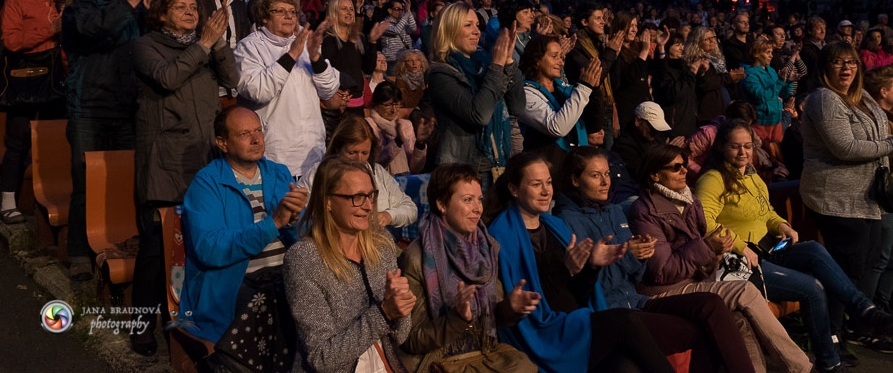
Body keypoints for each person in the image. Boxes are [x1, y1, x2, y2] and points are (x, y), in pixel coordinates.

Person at [695, 118, 893, 372]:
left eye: (748, 146)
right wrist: (739, 246)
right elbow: (704, 223)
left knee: (813, 250)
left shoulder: (751, 177)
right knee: (812, 287)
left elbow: (766, 213)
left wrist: (783, 226)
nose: (743, 152)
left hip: (766, 251)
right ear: (722, 147)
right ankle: (830, 361)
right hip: (742, 264)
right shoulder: (713, 179)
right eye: (736, 147)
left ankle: (863, 308)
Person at [554, 147, 756, 373]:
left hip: (638, 301)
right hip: (609, 313)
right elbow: (592, 285)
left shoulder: (614, 212)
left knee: (711, 303)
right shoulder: (567, 221)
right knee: (699, 331)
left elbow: (639, 276)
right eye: (595, 175)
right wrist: (629, 257)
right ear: (574, 180)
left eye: (607, 174)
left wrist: (642, 255)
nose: (605, 182)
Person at [626, 143, 813, 373]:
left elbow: (702, 261)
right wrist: (706, 247)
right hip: (662, 291)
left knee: (739, 319)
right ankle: (802, 368)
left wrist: (717, 252)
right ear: (654, 174)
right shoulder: (644, 211)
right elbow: (661, 272)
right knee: (745, 291)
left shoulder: (689, 201)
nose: (684, 170)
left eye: (684, 165)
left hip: (696, 282)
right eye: (676, 167)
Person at [483, 152, 675, 373]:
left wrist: (592, 266)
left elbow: (577, 294)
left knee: (626, 368)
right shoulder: (502, 235)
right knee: (627, 319)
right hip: (544, 333)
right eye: (537, 184)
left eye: (548, 183)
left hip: (573, 323)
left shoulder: (556, 226)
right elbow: (536, 301)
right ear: (514, 189)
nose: (546, 191)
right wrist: (566, 270)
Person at [128, 0, 238, 356]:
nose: (191, 12)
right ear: (161, 13)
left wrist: (218, 42)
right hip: (164, 163)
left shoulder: (203, 47)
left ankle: (187, 319)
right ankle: (141, 324)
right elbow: (166, 78)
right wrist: (204, 45)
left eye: (194, 7)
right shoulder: (146, 46)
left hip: (203, 162)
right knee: (155, 250)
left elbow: (233, 81)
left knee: (198, 247)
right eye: (181, 7)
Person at [178, 106, 307, 370]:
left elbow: (303, 237)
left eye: (258, 130)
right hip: (235, 281)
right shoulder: (207, 183)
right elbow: (209, 248)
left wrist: (295, 222)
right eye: (245, 133)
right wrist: (273, 223)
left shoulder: (278, 173)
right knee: (274, 300)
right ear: (223, 143)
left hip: (286, 271)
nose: (256, 139)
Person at [397, 163, 539, 372]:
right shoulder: (417, 257)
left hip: (482, 351)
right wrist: (456, 319)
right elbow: (411, 339)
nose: (477, 208)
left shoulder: (486, 248)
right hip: (440, 358)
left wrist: (510, 308)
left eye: (479, 199)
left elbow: (492, 319)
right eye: (467, 200)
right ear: (442, 204)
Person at [799, 41, 893, 352]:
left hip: (866, 199)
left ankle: (848, 330)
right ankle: (830, 339)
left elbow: (878, 135)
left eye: (851, 62)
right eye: (838, 62)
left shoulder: (862, 96)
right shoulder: (825, 98)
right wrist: (891, 144)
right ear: (825, 68)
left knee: (862, 267)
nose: (846, 68)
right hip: (835, 198)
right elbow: (846, 147)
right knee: (844, 272)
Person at [284, 155, 415, 372]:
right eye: (357, 197)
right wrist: (384, 314)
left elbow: (399, 337)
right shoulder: (304, 259)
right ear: (327, 201)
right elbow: (321, 358)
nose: (367, 206)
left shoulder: (381, 245)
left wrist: (401, 311)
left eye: (371, 196)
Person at [62, 0, 147, 281]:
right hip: (89, 109)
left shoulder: (131, 8)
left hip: (126, 109)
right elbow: (94, 29)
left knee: (127, 181)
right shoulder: (78, 9)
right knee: (85, 183)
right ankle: (80, 252)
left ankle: (121, 242)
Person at [235, 0, 340, 182]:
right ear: (264, 17)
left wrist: (315, 57)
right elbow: (258, 91)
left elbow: (329, 89)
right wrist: (291, 56)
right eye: (280, 11)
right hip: (275, 155)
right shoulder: (249, 47)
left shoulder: (306, 43)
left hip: (312, 152)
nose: (288, 16)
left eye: (292, 12)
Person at [0, 0, 70, 224]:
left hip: (57, 82)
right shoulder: (17, 4)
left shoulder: (63, 5)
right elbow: (12, 42)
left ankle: (50, 196)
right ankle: (7, 202)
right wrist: (51, 29)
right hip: (25, 83)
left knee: (53, 142)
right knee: (18, 143)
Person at [426, 2, 525, 188]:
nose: (476, 31)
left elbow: (518, 106)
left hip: (497, 165)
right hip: (463, 171)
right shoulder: (441, 73)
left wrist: (509, 60)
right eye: (467, 25)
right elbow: (479, 114)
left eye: (477, 25)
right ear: (449, 29)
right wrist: (496, 67)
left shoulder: (485, 65)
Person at [518, 33, 601, 176]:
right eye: (554, 56)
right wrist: (584, 88)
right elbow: (557, 127)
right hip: (548, 172)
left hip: (574, 168)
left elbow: (592, 121)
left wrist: (594, 89)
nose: (561, 62)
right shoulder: (526, 93)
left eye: (561, 57)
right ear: (537, 60)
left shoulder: (564, 89)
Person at [323, 115, 418, 230]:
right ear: (338, 148)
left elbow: (410, 209)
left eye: (364, 153)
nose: (359, 159)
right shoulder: (322, 173)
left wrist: (388, 215)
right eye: (352, 152)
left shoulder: (377, 172)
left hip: (378, 241)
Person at [565, 3, 625, 150]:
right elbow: (595, 78)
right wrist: (610, 52)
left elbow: (613, 79)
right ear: (584, 22)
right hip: (588, 111)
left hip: (605, 108)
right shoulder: (576, 46)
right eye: (598, 18)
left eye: (603, 18)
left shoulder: (598, 43)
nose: (603, 22)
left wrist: (613, 53)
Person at [321, 0, 387, 117]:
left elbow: (368, 68)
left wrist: (372, 42)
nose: (349, 12)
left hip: (358, 103)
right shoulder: (328, 40)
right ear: (334, 12)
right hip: (338, 106)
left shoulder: (359, 38)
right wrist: (350, 41)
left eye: (351, 9)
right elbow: (337, 67)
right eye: (344, 9)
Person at [862, 66, 893, 322]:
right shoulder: (878, 120)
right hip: (883, 197)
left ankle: (883, 309)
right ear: (883, 91)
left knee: (890, 258)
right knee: (880, 258)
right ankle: (866, 315)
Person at [738, 38, 793, 156]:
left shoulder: (771, 70)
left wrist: (788, 82)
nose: (771, 56)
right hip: (761, 121)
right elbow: (760, 96)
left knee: (777, 156)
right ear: (756, 54)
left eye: (771, 52)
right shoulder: (749, 73)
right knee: (763, 156)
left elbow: (781, 94)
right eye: (767, 52)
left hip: (775, 120)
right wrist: (779, 83)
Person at [365, 81, 433, 176]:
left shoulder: (406, 125)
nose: (393, 110)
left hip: (405, 181)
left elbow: (415, 168)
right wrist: (397, 142)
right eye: (388, 105)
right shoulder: (368, 125)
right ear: (375, 105)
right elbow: (376, 163)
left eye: (397, 104)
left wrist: (419, 144)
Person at [684, 25, 745, 127]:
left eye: (713, 37)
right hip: (708, 113)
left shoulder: (716, 59)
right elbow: (706, 84)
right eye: (707, 39)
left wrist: (734, 79)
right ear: (697, 43)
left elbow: (720, 81)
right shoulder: (698, 60)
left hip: (722, 110)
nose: (712, 41)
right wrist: (729, 77)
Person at [608, 11, 655, 134]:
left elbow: (652, 71)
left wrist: (660, 47)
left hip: (644, 104)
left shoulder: (637, 48)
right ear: (620, 27)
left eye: (636, 26)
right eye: (630, 26)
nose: (634, 30)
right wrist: (645, 51)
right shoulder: (613, 50)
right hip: (628, 109)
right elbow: (629, 78)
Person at [650, 32, 701, 139]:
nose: (681, 48)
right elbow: (674, 93)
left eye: (682, 44)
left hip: (689, 123)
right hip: (674, 126)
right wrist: (692, 74)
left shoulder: (684, 67)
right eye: (677, 45)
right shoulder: (663, 69)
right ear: (668, 47)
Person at [380, 0, 417, 68]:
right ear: (390, 10)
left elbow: (413, 28)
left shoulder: (402, 22)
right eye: (397, 9)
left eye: (402, 9)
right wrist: (406, 14)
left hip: (405, 59)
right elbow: (395, 31)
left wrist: (408, 12)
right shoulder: (383, 24)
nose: (400, 11)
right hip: (392, 61)